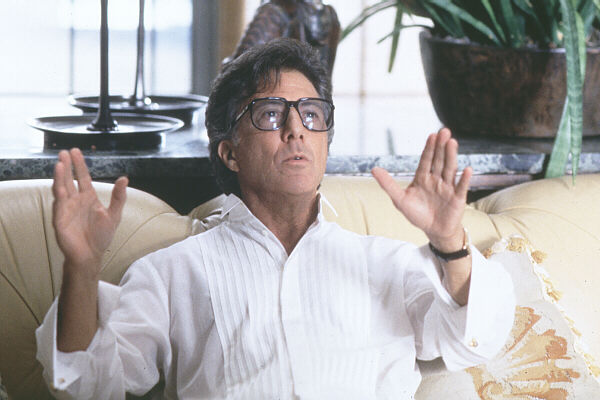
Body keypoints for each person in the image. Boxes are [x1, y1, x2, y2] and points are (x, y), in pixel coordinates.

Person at [36, 38, 515, 399]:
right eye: (269, 114)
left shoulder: (387, 263)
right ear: (230, 153)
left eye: (311, 114)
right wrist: (82, 267)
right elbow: (86, 384)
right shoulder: (172, 273)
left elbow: (475, 338)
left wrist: (449, 241)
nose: (295, 130)